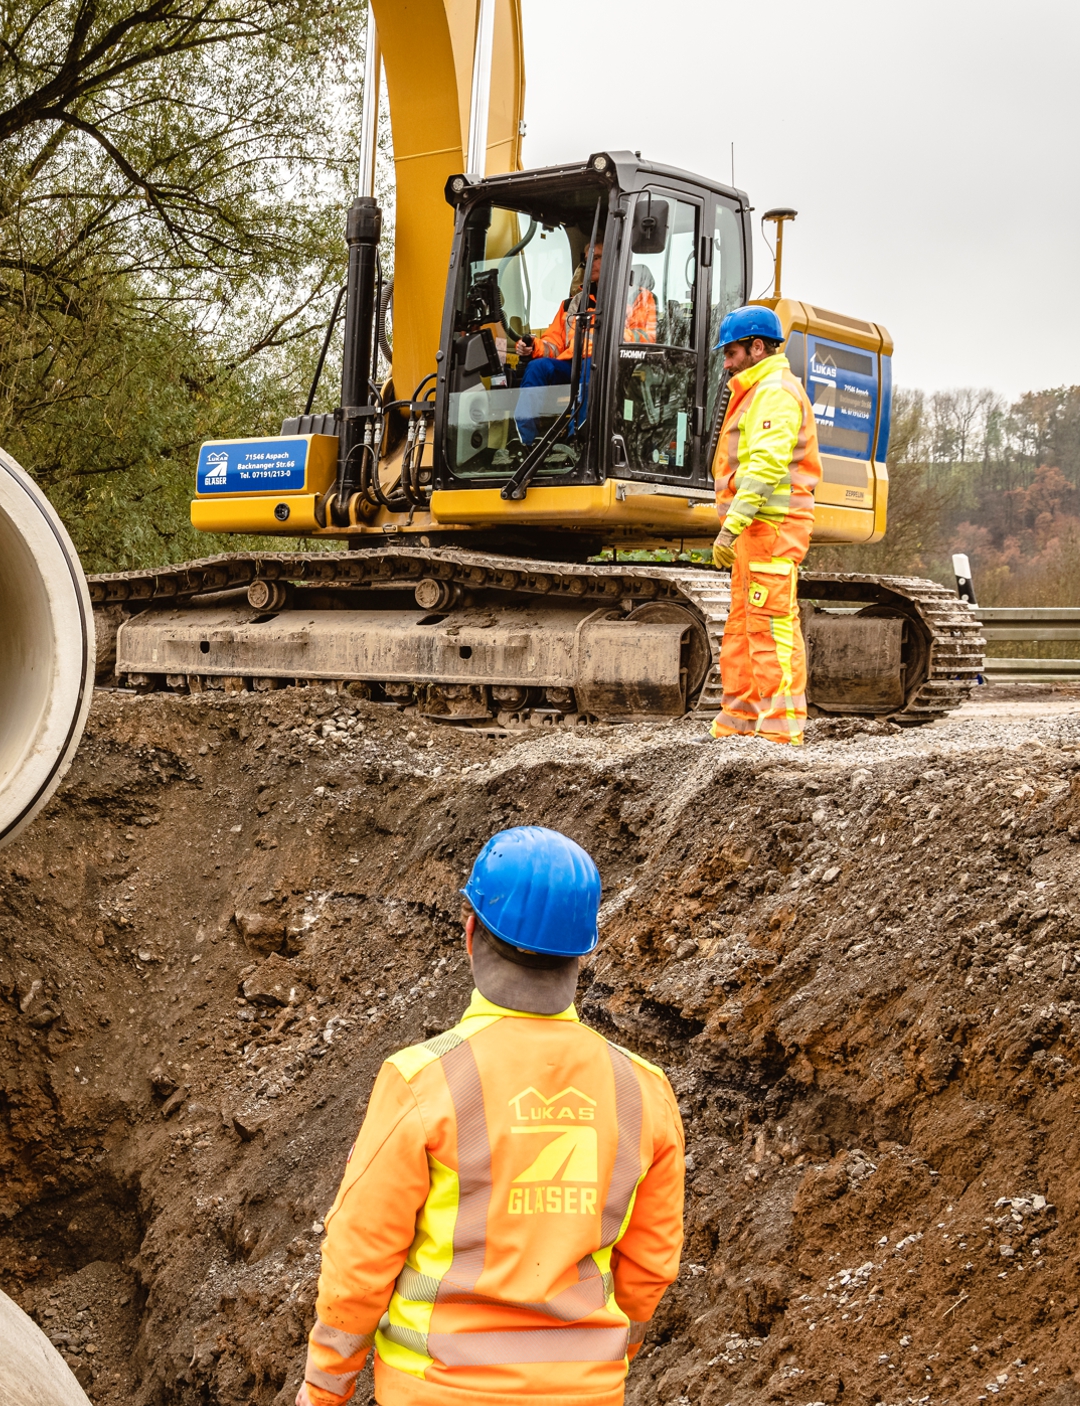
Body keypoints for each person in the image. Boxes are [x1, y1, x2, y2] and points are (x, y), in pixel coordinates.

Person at [297, 827, 686, 1406]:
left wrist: (324, 1390)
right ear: (583, 951)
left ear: (470, 931)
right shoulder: (644, 1089)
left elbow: (361, 1260)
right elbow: (650, 1266)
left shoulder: (422, 1081)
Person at [707, 305, 821, 746]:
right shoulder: (757, 391)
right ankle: (738, 724)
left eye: (731, 353)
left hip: (770, 529)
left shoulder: (773, 392)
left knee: (770, 629)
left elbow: (766, 466)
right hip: (754, 532)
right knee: (742, 629)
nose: (726, 363)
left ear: (757, 348)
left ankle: (780, 732)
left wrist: (731, 526)